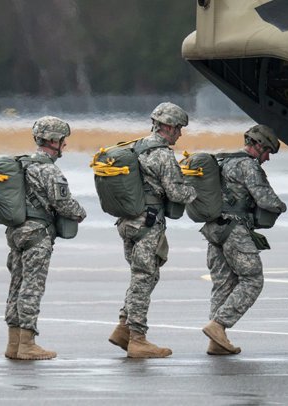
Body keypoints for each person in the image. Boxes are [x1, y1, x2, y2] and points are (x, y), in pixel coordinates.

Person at [108, 102, 197, 358]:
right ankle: (138, 339)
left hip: (128, 222)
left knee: (143, 276)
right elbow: (176, 192)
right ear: (167, 126)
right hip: (147, 223)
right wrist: (195, 191)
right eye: (178, 128)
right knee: (144, 278)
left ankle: (123, 328)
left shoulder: (136, 147)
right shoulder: (162, 154)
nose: (179, 134)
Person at [199, 125, 286, 355]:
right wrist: (281, 206)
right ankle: (218, 326)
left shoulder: (223, 160)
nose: (267, 158)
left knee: (223, 284)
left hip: (214, 229)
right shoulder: (248, 165)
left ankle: (216, 341)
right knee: (253, 279)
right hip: (235, 230)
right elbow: (266, 199)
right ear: (257, 145)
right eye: (267, 152)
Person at [4, 116, 86, 360]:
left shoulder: (22, 165)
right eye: (63, 141)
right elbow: (63, 203)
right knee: (32, 287)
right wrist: (80, 213)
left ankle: (13, 344)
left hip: (17, 233)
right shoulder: (48, 169)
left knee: (16, 286)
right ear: (54, 141)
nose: (64, 145)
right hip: (38, 235)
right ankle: (27, 344)